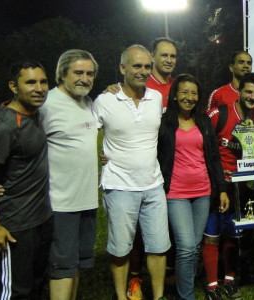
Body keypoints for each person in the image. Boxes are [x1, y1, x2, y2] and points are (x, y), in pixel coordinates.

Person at [93, 45, 170, 300]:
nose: (143, 71)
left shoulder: (156, 98)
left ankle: (158, 296)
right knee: (120, 249)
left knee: (158, 247)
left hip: (153, 184)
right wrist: (96, 155)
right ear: (122, 68)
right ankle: (120, 295)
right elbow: (84, 134)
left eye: (147, 66)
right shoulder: (105, 100)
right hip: (119, 186)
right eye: (137, 66)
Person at [0, 60, 53, 299]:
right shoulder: (4, 126)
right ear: (13, 86)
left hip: (42, 218)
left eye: (43, 81)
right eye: (30, 82)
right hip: (16, 225)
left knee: (38, 284)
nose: (39, 88)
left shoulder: (35, 114)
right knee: (15, 291)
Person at [157, 74, 230, 299]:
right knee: (186, 247)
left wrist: (222, 189)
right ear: (175, 95)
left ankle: (183, 287)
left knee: (194, 247)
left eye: (194, 93)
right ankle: (186, 295)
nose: (189, 97)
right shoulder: (164, 122)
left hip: (203, 192)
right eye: (184, 92)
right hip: (175, 192)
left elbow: (214, 158)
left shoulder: (204, 121)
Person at [202, 73, 254, 300]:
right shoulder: (220, 114)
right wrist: (217, 183)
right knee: (212, 234)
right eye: (248, 92)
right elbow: (203, 148)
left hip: (241, 185)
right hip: (217, 183)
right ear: (239, 91)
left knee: (233, 235)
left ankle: (229, 280)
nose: (252, 96)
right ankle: (211, 285)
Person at [44, 49, 100, 300]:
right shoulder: (47, 104)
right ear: (62, 74)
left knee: (76, 264)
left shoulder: (88, 102)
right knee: (61, 268)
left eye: (89, 74)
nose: (84, 78)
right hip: (60, 202)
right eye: (78, 72)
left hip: (87, 200)